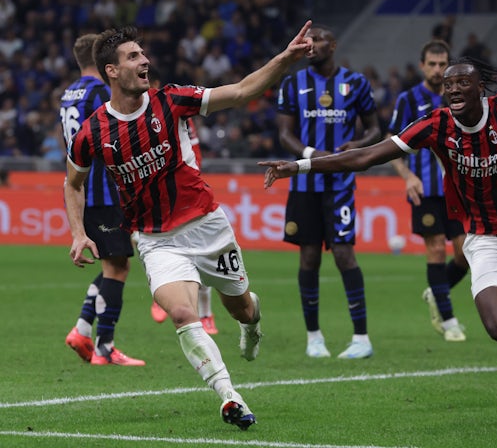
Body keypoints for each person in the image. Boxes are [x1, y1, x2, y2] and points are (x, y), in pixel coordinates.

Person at [259, 57, 497, 413]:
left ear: (479, 89)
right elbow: (366, 156)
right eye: (448, 84)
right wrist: (299, 166)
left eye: (462, 82)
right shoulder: (435, 124)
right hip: (484, 235)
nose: (454, 89)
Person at [64, 22, 313, 430]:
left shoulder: (172, 99)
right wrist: (78, 231)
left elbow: (242, 91)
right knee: (182, 312)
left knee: (242, 307)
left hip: (207, 227)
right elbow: (71, 182)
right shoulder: (92, 132)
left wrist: (285, 58)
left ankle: (252, 326)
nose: (144, 60)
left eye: (143, 54)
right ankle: (229, 395)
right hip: (155, 239)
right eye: (133, 56)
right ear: (111, 71)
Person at [276, 24, 381, 359]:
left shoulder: (357, 83)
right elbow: (284, 134)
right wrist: (310, 155)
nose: (311, 45)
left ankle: (361, 338)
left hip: (341, 185)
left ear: (333, 45)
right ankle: (314, 336)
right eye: (307, 41)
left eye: (318, 40)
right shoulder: (293, 83)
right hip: (305, 183)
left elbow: (376, 128)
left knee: (343, 254)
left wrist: (358, 146)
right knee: (308, 256)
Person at [61, 34, 145, 367]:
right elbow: (113, 132)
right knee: (119, 267)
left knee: (115, 265)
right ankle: (104, 346)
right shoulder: (99, 93)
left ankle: (82, 330)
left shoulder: (69, 93)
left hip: (82, 186)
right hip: (105, 190)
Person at [387, 40, 468, 342]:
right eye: (432, 64)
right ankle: (449, 322)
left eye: (442, 64)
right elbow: (392, 141)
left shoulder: (460, 98)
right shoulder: (409, 99)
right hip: (425, 189)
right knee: (435, 249)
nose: (437, 70)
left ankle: (437, 291)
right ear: (422, 66)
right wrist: (407, 176)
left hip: (458, 191)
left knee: (465, 254)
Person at [145, 66, 218, 335]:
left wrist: (193, 181)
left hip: (185, 193)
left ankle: (206, 313)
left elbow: (194, 151)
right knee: (154, 246)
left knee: (202, 252)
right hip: (152, 197)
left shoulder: (175, 112)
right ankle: (161, 295)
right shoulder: (132, 118)